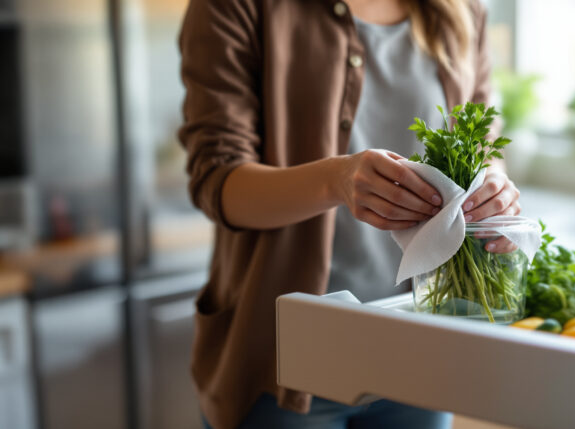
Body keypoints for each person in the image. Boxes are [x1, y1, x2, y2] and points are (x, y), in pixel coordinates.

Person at [178, 0, 521, 428]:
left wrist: (494, 195)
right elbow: (217, 181)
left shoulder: (461, 9)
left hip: (421, 349)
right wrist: (334, 180)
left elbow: (486, 145)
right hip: (284, 360)